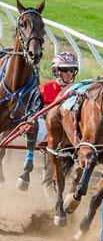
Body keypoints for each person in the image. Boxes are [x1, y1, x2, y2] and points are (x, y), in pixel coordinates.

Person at [17, 51, 79, 191]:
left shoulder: (78, 90)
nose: (69, 73)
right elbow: (31, 114)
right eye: (64, 69)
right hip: (47, 131)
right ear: (56, 71)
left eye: (72, 70)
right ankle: (28, 162)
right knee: (36, 124)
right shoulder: (43, 90)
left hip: (71, 132)